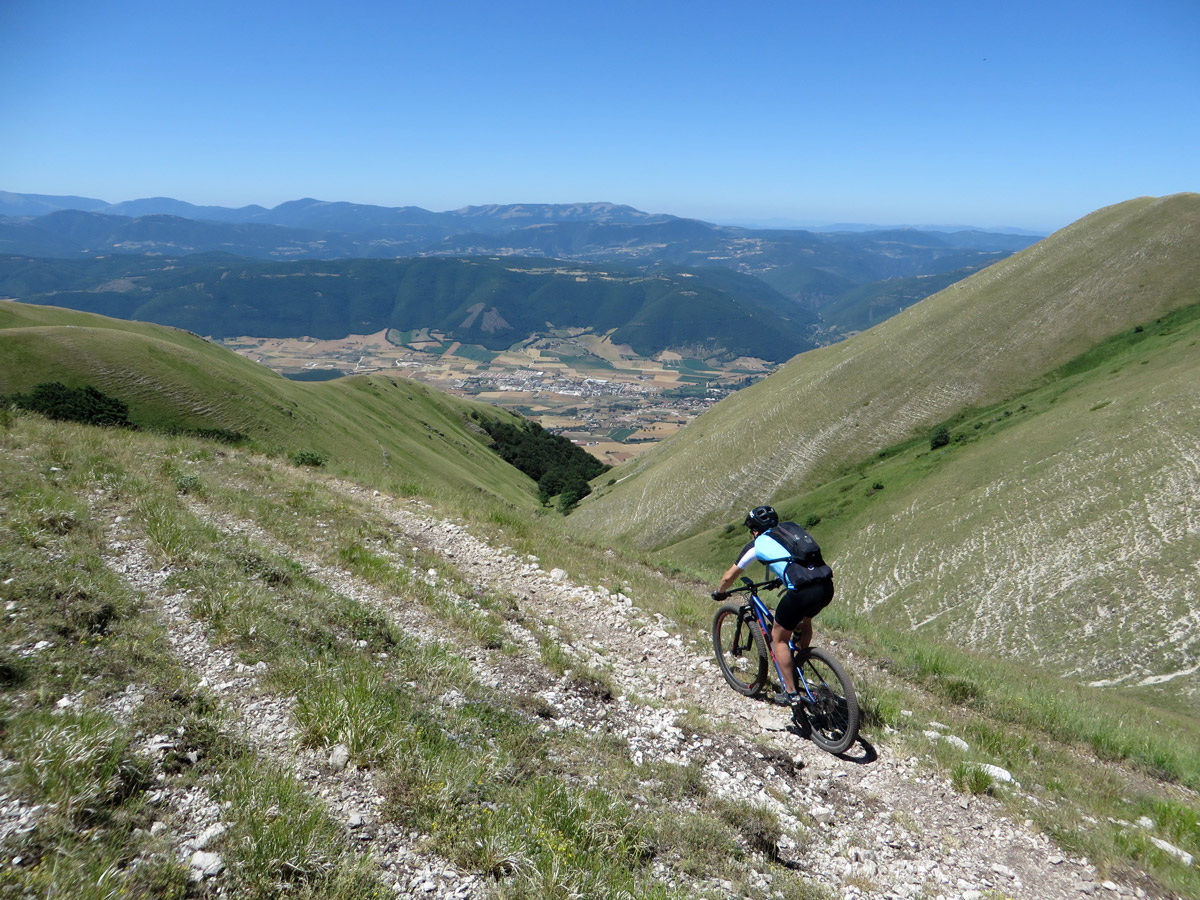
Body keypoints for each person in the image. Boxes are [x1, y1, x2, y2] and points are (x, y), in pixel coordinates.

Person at [711, 505, 834, 706]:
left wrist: (720, 592)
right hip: (825, 586)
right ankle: (800, 659)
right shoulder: (789, 530)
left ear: (754, 530)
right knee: (805, 619)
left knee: (779, 638)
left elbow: (728, 577)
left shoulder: (756, 544)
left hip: (802, 592)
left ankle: (791, 693)